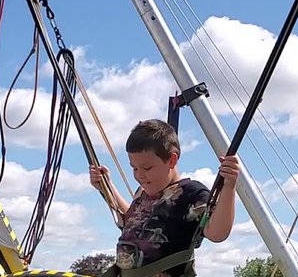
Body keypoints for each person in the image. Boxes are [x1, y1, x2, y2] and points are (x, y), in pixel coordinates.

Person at [89, 119, 240, 277]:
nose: (140, 175)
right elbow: (130, 222)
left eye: (147, 168)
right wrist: (106, 187)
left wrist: (229, 186)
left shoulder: (191, 194)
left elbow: (217, 233)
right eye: (134, 168)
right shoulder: (142, 192)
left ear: (172, 160)